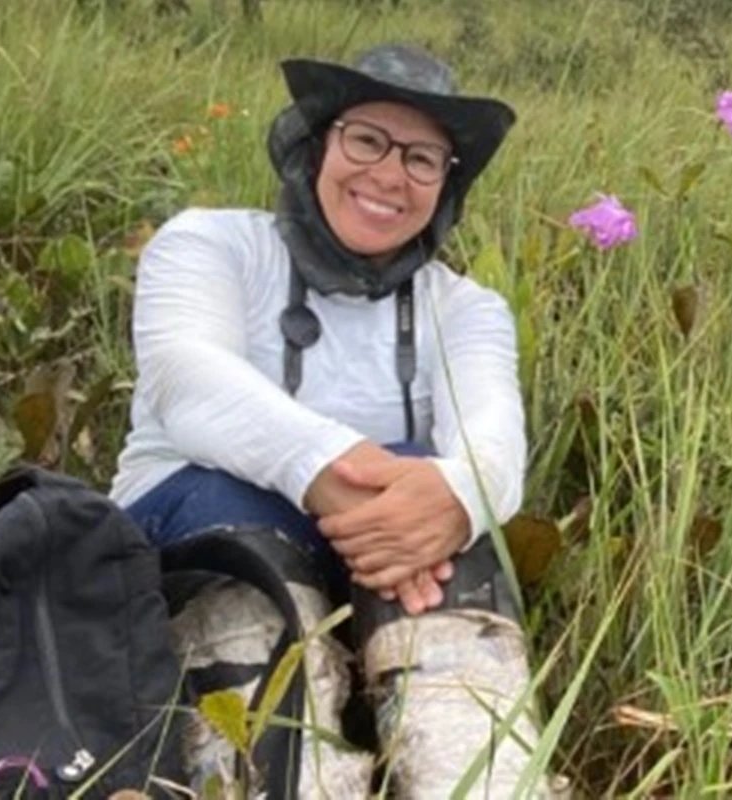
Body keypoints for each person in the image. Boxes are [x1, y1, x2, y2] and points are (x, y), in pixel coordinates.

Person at [110, 43, 546, 796]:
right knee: (242, 521)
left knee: (454, 518)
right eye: (367, 139)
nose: (388, 174)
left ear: (446, 186)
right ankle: (266, 775)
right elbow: (190, 382)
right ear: (317, 143)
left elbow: (495, 446)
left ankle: (481, 778)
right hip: (196, 537)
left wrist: (446, 504)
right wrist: (355, 494)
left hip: (392, 568)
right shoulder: (207, 244)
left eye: (422, 158)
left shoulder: (468, 310)